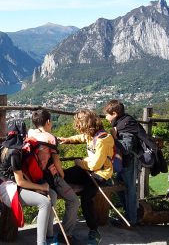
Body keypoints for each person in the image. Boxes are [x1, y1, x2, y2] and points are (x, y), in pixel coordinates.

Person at [59, 109, 114, 245]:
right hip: (87, 170)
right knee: (63, 175)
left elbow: (96, 164)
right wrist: (68, 140)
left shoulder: (103, 139)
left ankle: (94, 230)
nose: (79, 128)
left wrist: (79, 162)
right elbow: (81, 137)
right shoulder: (91, 134)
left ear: (86, 125)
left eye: (80, 125)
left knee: (86, 198)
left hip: (100, 173)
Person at [0, 120, 56, 245]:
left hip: (12, 185)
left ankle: (49, 235)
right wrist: (39, 186)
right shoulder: (15, 153)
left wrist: (36, 189)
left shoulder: (10, 148)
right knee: (44, 202)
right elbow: (20, 181)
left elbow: (21, 174)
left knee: (52, 194)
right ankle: (42, 242)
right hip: (7, 188)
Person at [28, 109, 80, 244]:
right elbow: (56, 161)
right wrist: (62, 176)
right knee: (74, 201)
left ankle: (49, 235)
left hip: (33, 177)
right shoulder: (50, 138)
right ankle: (66, 234)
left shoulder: (30, 134)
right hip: (51, 177)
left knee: (53, 198)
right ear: (49, 122)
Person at [103, 99, 139, 227]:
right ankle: (128, 216)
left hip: (129, 162)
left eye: (107, 114)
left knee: (130, 190)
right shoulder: (121, 122)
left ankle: (131, 220)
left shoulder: (125, 126)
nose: (106, 117)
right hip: (124, 163)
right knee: (119, 187)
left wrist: (113, 137)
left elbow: (126, 148)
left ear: (114, 113)